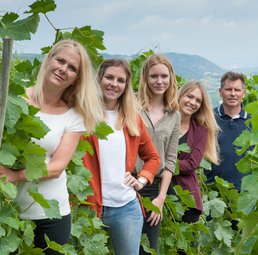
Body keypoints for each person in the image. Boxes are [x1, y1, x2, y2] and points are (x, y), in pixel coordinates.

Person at [0, 39, 104, 254]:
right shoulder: (14, 97)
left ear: (75, 79)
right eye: (60, 60)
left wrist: (15, 176)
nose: (63, 69)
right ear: (48, 59)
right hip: (5, 211)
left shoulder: (73, 116)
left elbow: (57, 167)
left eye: (72, 68)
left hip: (50, 216)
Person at [82, 59, 160, 255]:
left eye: (120, 80)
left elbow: (153, 158)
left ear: (126, 86)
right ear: (98, 79)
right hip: (87, 207)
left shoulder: (132, 119)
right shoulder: (82, 115)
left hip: (126, 208)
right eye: (109, 77)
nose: (114, 84)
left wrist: (141, 180)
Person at [134, 54, 180, 254]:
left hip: (153, 190)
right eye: (154, 76)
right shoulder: (130, 105)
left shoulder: (174, 114)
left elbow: (170, 160)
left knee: (147, 248)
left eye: (164, 76)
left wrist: (161, 198)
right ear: (145, 78)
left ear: (171, 78)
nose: (159, 81)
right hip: (127, 184)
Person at [175, 81, 219, 224]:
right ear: (180, 96)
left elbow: (191, 164)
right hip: (158, 194)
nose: (192, 102)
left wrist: (162, 164)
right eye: (190, 96)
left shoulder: (201, 131)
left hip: (187, 199)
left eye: (198, 100)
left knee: (184, 245)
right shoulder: (164, 122)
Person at [205, 71, 250, 192]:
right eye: (228, 89)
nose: (233, 94)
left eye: (237, 90)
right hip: (215, 190)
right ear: (220, 92)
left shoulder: (252, 122)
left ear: (243, 93)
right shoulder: (209, 119)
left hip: (245, 193)